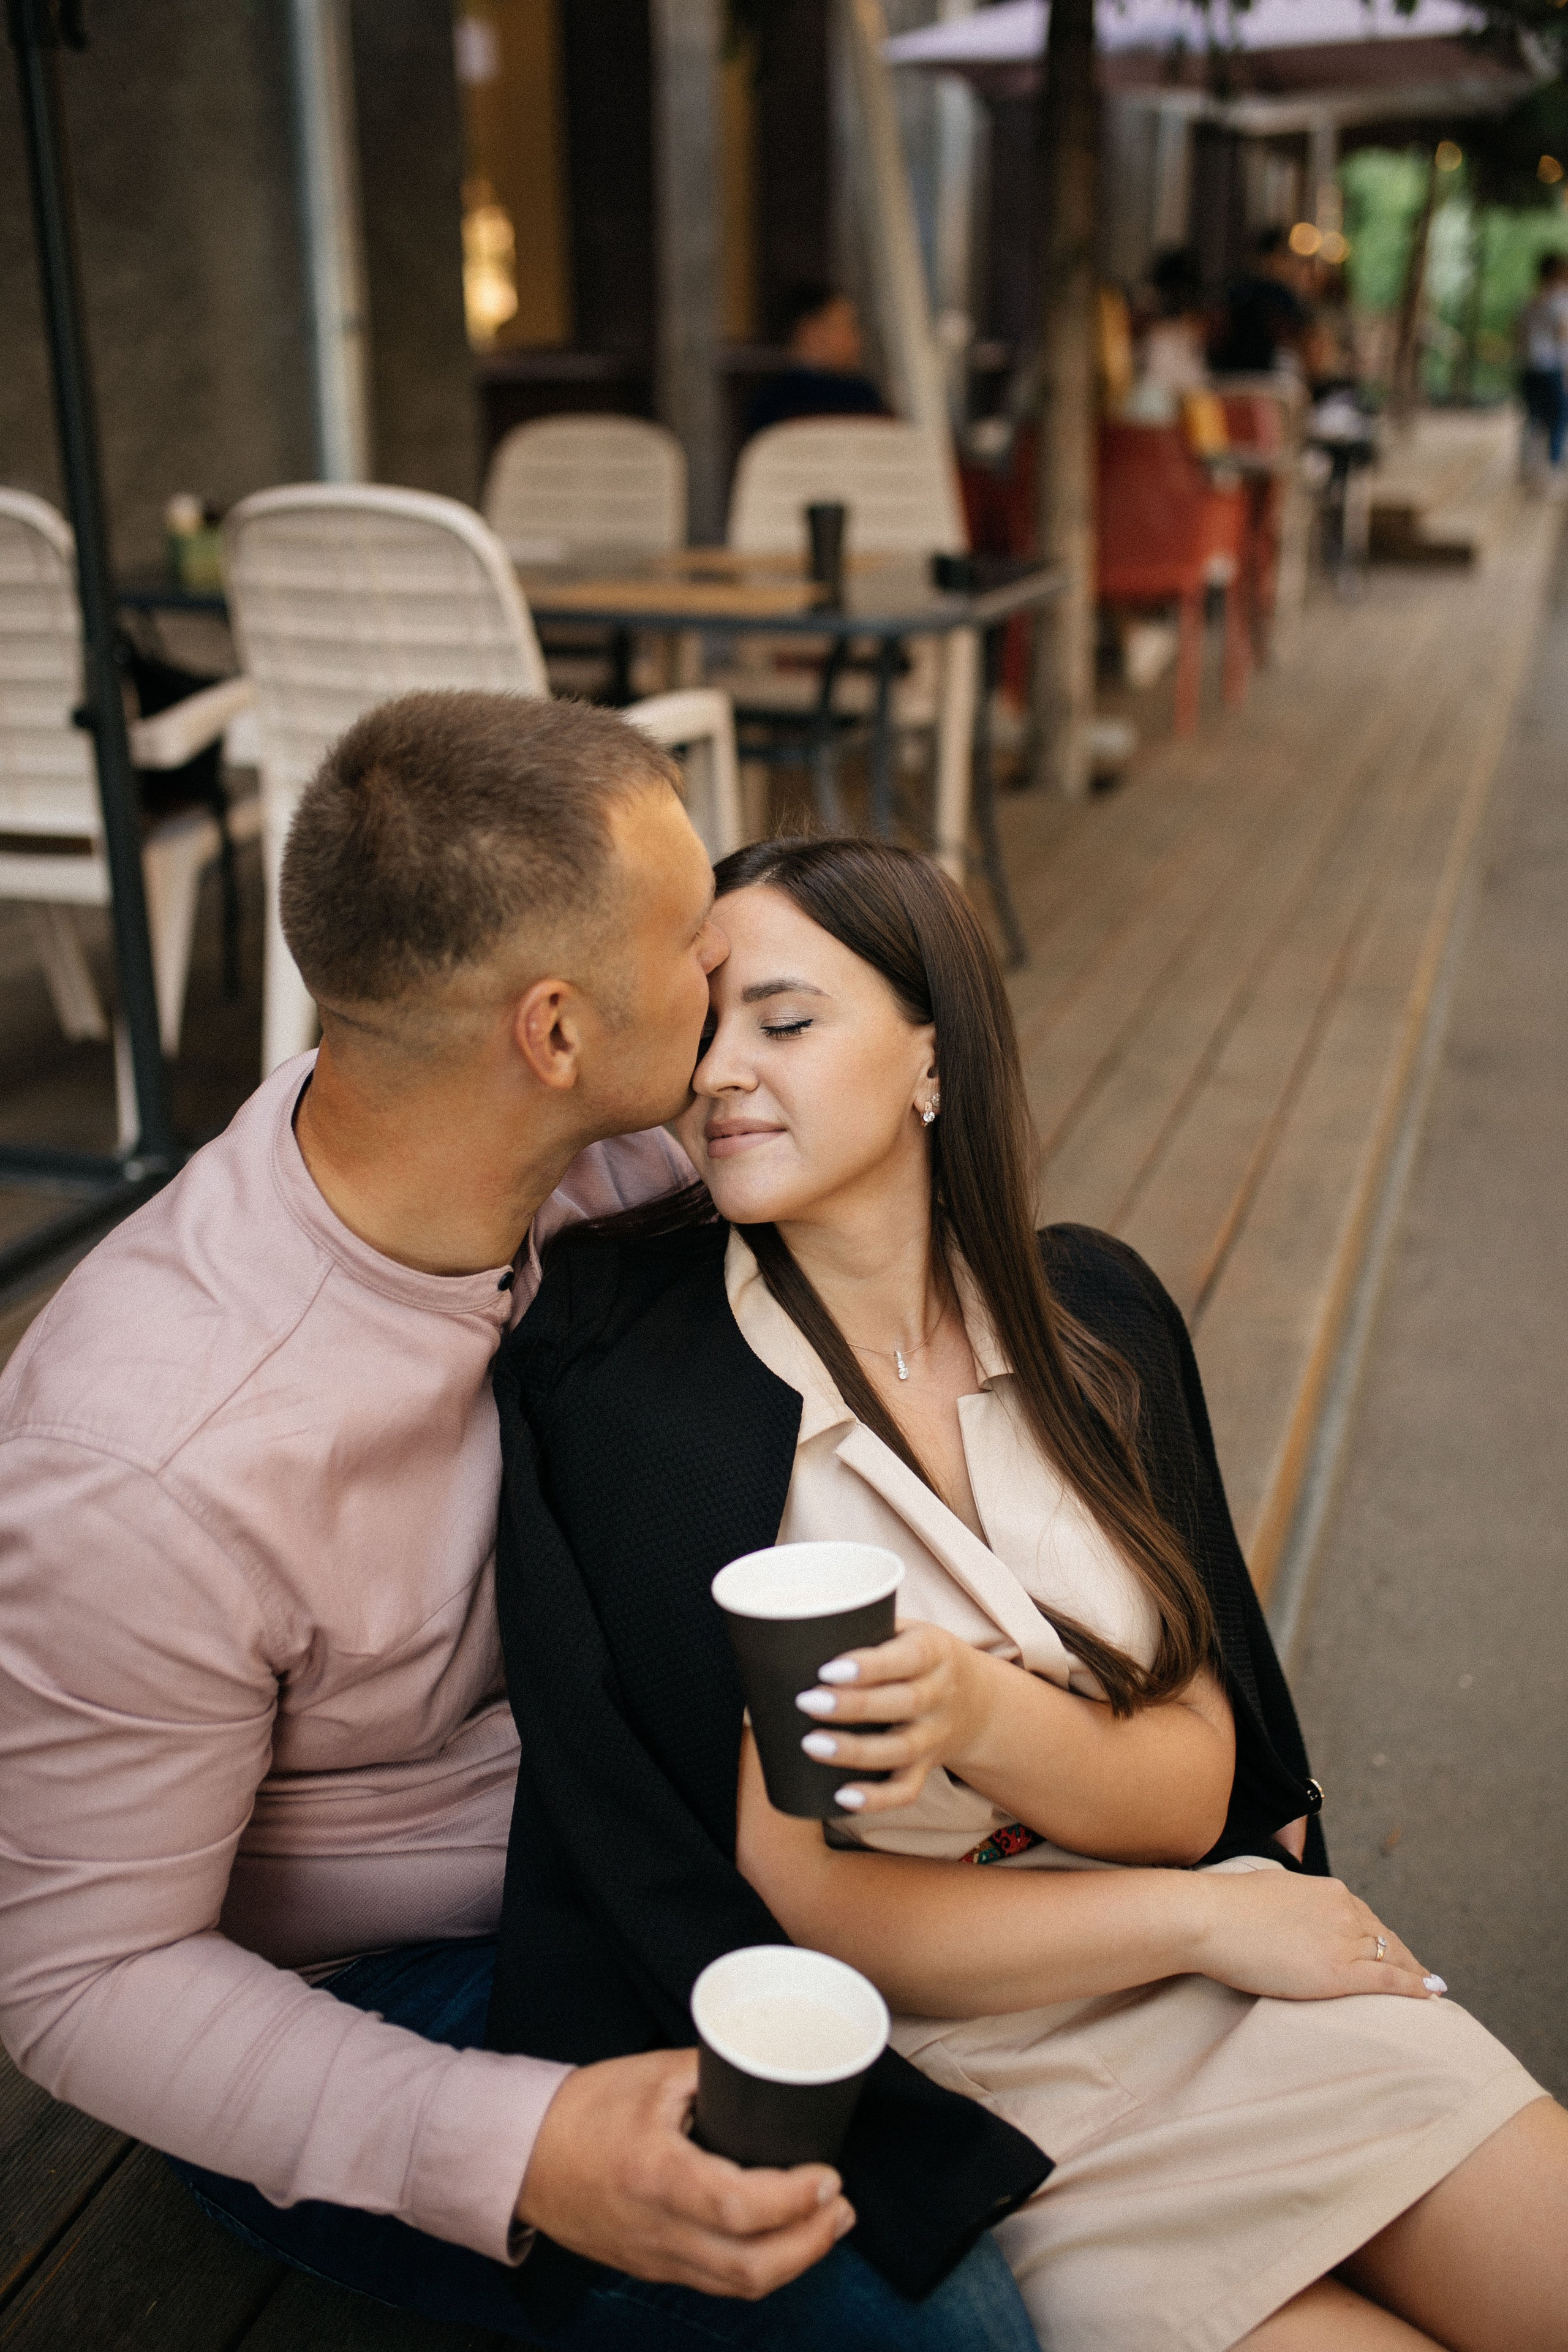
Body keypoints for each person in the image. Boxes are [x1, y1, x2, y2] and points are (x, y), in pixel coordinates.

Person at [0, 698, 1039, 2351]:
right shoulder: (144, 1460)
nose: (726, 967)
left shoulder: (602, 1158)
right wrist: (515, 2144)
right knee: (942, 2317)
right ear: (554, 1032)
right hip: (393, 1987)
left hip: (678, 1820)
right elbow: (81, 1982)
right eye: (693, 948)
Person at [487, 835, 1567, 2352]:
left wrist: (987, 1714)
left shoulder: (1092, 1322)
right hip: (958, 2079)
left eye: (784, 1022)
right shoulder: (651, 1398)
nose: (720, 1073)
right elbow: (808, 1907)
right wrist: (1196, 1922)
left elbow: (1193, 1773)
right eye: (704, 1024)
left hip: (1227, 1986)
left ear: (933, 1049)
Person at [747, 285, 889, 437]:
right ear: (812, 332)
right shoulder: (776, 401)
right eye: (846, 326)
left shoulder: (862, 392)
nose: (857, 338)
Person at [1210, 227, 1310, 377]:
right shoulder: (1262, 291)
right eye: (1284, 256)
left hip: (1237, 369)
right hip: (1250, 370)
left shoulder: (1242, 287)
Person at [1516, 252, 1567, 480]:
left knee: (1533, 417)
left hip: (1529, 367)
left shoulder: (1530, 301)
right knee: (1559, 417)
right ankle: (1552, 467)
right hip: (1553, 368)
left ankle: (1528, 465)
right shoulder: (1560, 300)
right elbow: (1562, 335)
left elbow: (1518, 334)